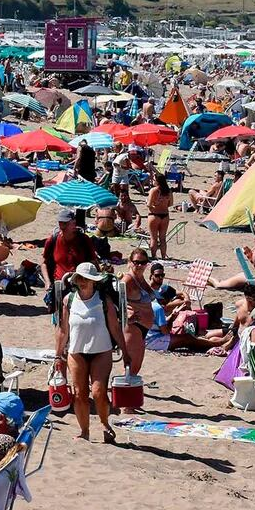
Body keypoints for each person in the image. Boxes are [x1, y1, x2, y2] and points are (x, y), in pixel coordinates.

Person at [55, 262, 124, 443]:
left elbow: (115, 328)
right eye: (80, 278)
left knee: (98, 392)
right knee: (79, 394)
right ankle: (84, 431)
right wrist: (57, 355)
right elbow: (63, 330)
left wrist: (125, 351)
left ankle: (105, 424)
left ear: (94, 281)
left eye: (86, 278)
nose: (83, 281)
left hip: (101, 351)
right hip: (76, 351)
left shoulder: (104, 300)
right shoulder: (69, 300)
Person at [43, 209, 97, 291]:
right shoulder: (52, 240)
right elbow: (44, 263)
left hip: (80, 284)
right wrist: (47, 282)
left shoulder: (84, 240)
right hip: (60, 284)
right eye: (61, 222)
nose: (62, 225)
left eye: (65, 223)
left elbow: (93, 261)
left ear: (74, 223)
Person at [121, 248, 156, 378]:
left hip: (143, 326)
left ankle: (125, 387)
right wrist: (125, 316)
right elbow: (114, 301)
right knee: (130, 368)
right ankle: (121, 388)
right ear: (130, 262)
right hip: (133, 327)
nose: (140, 265)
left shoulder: (140, 278)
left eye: (143, 262)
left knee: (135, 369)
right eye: (137, 262)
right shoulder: (127, 280)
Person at [147, 173, 173, 260]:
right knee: (162, 238)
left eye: (154, 180)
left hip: (154, 215)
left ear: (157, 181)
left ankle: (154, 257)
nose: (153, 181)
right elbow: (170, 204)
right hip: (165, 215)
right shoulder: (168, 191)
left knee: (153, 238)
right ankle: (163, 257)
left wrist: (153, 205)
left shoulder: (154, 190)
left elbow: (149, 204)